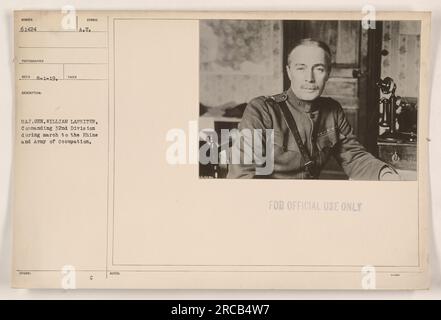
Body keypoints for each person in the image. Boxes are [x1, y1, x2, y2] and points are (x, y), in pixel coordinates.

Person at [227, 38, 400, 180]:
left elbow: (354, 157)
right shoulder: (262, 110)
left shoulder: (333, 111)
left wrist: (386, 175)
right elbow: (242, 176)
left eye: (318, 69)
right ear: (289, 72)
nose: (309, 78)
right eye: (300, 68)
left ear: (328, 73)